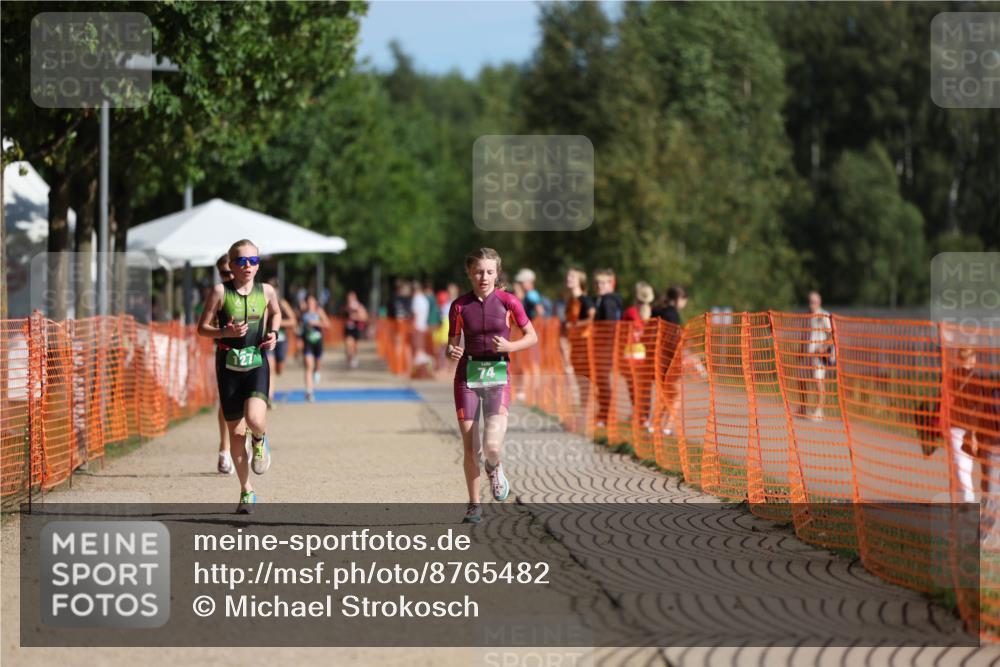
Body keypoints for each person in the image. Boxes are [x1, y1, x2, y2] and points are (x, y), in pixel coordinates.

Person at [447, 248, 538, 524]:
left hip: (498, 375)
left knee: (492, 447)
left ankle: (494, 467)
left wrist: (511, 345)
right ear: (469, 273)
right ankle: (474, 505)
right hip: (468, 378)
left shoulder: (509, 302)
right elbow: (451, 343)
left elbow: (532, 336)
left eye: (488, 272)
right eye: (478, 271)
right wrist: (451, 351)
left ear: (497, 273)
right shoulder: (459, 306)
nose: (483, 277)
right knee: (470, 446)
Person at [196, 240, 281, 513]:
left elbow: (277, 314)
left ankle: (260, 439)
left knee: (255, 419)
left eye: (253, 261)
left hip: (256, 363)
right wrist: (225, 333)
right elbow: (202, 328)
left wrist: (274, 335)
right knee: (235, 433)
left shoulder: (266, 291)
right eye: (242, 261)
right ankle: (246, 491)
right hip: (229, 367)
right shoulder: (220, 292)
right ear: (231, 265)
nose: (248, 266)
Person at [653, 285, 691, 436]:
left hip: (657, 356)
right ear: (679, 299)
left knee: (666, 393)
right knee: (674, 394)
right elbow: (674, 338)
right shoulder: (672, 313)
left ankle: (656, 424)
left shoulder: (657, 311)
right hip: (669, 358)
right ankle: (666, 427)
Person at [592, 269, 623, 428]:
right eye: (597, 283)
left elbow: (609, 325)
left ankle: (606, 415)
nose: (600, 286)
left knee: (603, 381)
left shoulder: (608, 301)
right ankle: (604, 413)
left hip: (605, 347)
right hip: (605, 346)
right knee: (601, 381)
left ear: (611, 284)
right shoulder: (601, 299)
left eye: (603, 283)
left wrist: (604, 342)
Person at [623, 282, 656, 431]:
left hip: (634, 353)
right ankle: (642, 416)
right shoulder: (648, 312)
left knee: (636, 387)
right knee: (641, 387)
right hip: (641, 354)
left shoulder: (632, 311)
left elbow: (621, 328)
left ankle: (641, 415)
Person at [264, 278, 297, 405]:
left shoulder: (282, 303)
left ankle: (270, 393)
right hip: (268, 340)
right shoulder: (262, 303)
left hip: (281, 340)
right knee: (270, 368)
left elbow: (293, 321)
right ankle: (270, 397)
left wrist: (277, 323)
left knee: (279, 369)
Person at [801, 290, 833, 421]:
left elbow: (832, 335)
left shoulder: (824, 316)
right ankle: (803, 407)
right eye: (809, 301)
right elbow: (804, 335)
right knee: (802, 379)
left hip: (819, 355)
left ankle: (819, 410)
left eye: (813, 302)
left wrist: (824, 347)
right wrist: (800, 349)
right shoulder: (807, 316)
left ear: (819, 302)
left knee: (818, 382)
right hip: (807, 354)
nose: (811, 304)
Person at [301, 294, 331, 402]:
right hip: (307, 342)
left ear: (315, 303)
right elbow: (299, 326)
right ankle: (309, 392)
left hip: (318, 342)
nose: (310, 304)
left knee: (317, 365)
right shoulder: (303, 313)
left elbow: (328, 324)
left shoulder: (319, 311)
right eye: (308, 302)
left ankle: (317, 371)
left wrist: (316, 323)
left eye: (311, 302)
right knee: (309, 366)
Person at [342, 290, 369, 369]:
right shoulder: (346, 307)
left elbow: (365, 318)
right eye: (349, 298)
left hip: (356, 329)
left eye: (351, 298)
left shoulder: (359, 307)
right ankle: (349, 358)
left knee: (354, 346)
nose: (350, 300)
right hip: (348, 329)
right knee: (348, 344)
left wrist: (356, 316)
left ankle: (353, 356)